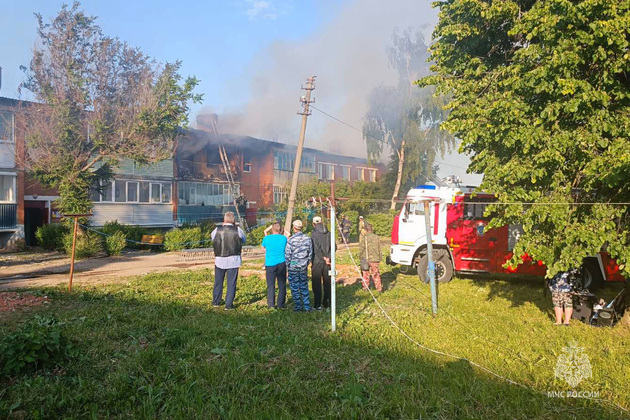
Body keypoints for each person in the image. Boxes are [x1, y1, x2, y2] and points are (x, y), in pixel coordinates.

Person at [211, 212, 246, 310]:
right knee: (231, 283)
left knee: (218, 282)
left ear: (224, 219)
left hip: (219, 259)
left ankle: (216, 301)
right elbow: (243, 240)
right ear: (233, 220)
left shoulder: (216, 230)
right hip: (234, 260)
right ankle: (228, 305)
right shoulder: (238, 230)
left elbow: (213, 238)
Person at [285, 219, 313, 312]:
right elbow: (310, 253)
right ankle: (307, 306)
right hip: (303, 265)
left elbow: (288, 254)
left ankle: (298, 307)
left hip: (293, 265)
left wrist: (288, 265)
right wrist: (306, 262)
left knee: (294, 286)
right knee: (304, 285)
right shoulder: (307, 238)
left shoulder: (291, 240)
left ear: (294, 228)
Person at [262, 222, 288, 309]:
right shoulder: (284, 238)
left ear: (272, 229)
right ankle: (281, 305)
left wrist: (268, 229)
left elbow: (263, 248)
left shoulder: (267, 238)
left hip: (270, 263)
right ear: (281, 229)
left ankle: (271, 305)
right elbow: (288, 235)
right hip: (281, 263)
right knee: (282, 284)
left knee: (270, 285)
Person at [310, 216, 331, 310]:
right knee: (327, 282)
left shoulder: (314, 234)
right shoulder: (329, 233)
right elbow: (334, 246)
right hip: (328, 262)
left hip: (317, 261)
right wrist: (328, 257)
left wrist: (323, 257)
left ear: (313, 224)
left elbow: (316, 248)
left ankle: (317, 304)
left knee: (316, 283)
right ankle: (327, 303)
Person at [360, 224, 383, 292]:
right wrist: (380, 258)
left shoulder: (364, 237)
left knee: (365, 274)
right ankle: (379, 288)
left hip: (366, 258)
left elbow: (361, 248)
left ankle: (365, 287)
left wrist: (360, 257)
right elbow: (379, 248)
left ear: (366, 230)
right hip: (375, 259)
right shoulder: (376, 237)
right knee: (376, 274)